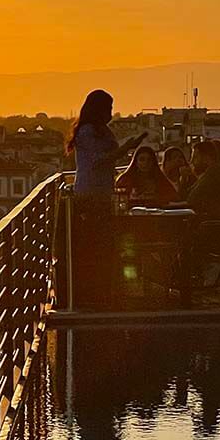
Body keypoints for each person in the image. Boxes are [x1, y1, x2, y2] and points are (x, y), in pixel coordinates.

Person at [66, 90, 147, 307]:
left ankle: (103, 291)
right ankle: (95, 293)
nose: (111, 112)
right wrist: (127, 148)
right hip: (91, 194)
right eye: (108, 108)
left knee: (103, 244)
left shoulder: (101, 131)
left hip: (101, 192)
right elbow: (98, 161)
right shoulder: (87, 131)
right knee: (96, 244)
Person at [186, 140, 220, 219]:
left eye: (195, 157)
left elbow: (191, 199)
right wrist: (184, 178)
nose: (191, 161)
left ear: (206, 157)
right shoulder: (215, 169)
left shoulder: (215, 172)